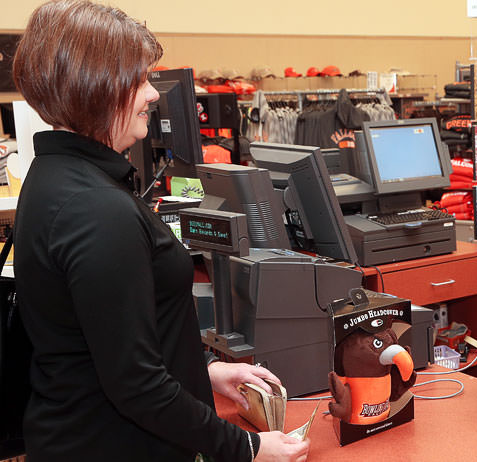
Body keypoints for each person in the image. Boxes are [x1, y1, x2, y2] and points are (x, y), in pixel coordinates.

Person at [12, 1, 309, 461]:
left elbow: (103, 342)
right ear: (95, 87)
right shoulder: (96, 209)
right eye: (140, 79)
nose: (153, 94)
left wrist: (201, 373)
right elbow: (136, 385)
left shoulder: (57, 175)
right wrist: (247, 447)